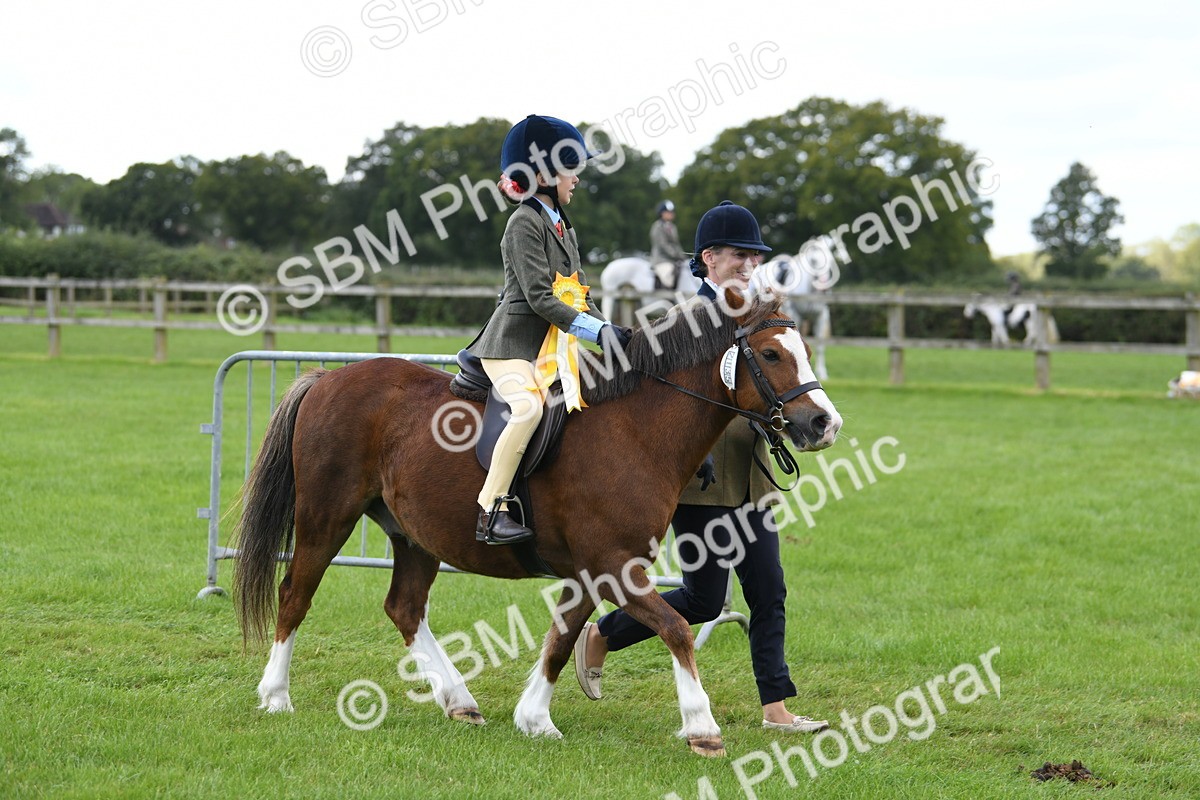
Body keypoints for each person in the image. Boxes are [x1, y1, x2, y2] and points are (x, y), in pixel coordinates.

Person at [572, 200, 830, 733]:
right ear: (709, 259)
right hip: (699, 480)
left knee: (769, 590)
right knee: (704, 598)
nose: (748, 266)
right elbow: (646, 395)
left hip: (752, 474)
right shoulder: (683, 320)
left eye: (754, 257)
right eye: (738, 256)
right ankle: (601, 634)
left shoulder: (764, 316)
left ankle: (777, 709)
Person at [465, 115, 630, 546]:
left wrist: (611, 333)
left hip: (551, 348)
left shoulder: (562, 224)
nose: (576, 178)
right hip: (510, 347)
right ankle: (490, 509)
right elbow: (540, 297)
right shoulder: (524, 222)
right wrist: (597, 334)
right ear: (540, 175)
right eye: (569, 168)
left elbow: (576, 294)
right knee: (529, 410)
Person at [649, 200, 687, 289]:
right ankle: (667, 298)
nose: (671, 214)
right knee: (668, 276)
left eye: (672, 212)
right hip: (662, 259)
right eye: (668, 212)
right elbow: (663, 245)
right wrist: (676, 255)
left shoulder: (672, 227)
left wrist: (683, 255)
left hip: (672, 260)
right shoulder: (657, 227)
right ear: (662, 213)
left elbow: (676, 244)